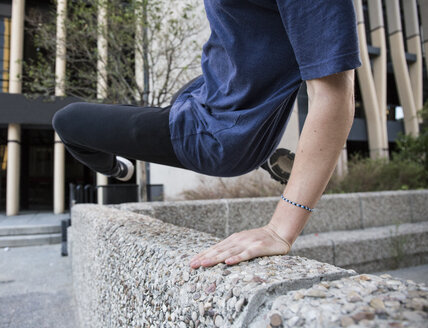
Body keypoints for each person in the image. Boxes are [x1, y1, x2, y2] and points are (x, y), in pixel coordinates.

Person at [52, 0, 361, 269]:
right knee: (161, 103)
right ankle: (260, 153)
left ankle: (120, 169)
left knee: (68, 121)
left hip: (209, 134)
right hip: (203, 105)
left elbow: (333, 95)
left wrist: (280, 230)